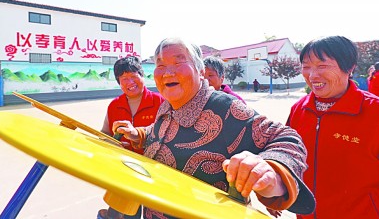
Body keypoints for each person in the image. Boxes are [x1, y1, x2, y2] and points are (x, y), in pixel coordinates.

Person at [113, 38, 315, 218]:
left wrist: (269, 170)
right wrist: (138, 133)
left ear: (201, 72)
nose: (168, 72)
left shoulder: (224, 107)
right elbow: (160, 132)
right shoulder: (168, 104)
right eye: (161, 65)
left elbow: (286, 138)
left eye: (178, 62)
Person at [286, 36, 379, 219]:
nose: (313, 75)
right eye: (306, 66)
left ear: (349, 67)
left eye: (322, 66)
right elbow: (289, 156)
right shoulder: (299, 109)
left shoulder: (378, 113)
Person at [97, 56, 164, 219]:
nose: (130, 82)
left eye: (134, 76)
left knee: (154, 211)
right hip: (123, 170)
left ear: (142, 76)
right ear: (119, 82)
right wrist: (109, 142)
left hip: (152, 170)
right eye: (124, 79)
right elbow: (104, 134)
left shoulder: (161, 102)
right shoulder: (114, 105)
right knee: (124, 214)